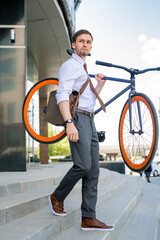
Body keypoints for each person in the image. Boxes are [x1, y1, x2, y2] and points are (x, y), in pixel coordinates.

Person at [49, 29, 114, 231]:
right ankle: (57, 195)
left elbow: (87, 100)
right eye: (81, 41)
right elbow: (62, 95)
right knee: (84, 165)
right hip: (77, 119)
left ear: (91, 46)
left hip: (90, 119)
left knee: (93, 171)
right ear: (74, 44)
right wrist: (69, 122)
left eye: (88, 42)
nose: (85, 44)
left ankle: (88, 217)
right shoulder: (69, 66)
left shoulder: (83, 69)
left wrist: (99, 86)